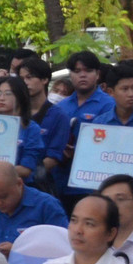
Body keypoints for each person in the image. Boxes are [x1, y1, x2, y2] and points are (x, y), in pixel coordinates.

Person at [55, 50, 115, 203]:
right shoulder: (61, 106)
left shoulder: (109, 105)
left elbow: (111, 145)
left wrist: (78, 152)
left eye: (88, 71)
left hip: (91, 185)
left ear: (97, 74)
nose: (82, 75)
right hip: (60, 182)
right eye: (77, 71)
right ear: (70, 75)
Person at [0, 160, 67, 256]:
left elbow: (63, 247)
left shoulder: (47, 206)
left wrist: (20, 251)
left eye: (3, 197)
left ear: (19, 184)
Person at [17, 57, 68, 189]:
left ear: (44, 80)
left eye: (29, 77)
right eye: (21, 79)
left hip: (38, 184)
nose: (25, 82)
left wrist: (27, 171)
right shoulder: (13, 112)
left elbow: (53, 157)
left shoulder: (58, 115)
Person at [0, 76, 44, 179]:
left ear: (20, 96)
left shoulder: (31, 128)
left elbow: (26, 169)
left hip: (15, 182)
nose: (1, 98)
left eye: (8, 94)